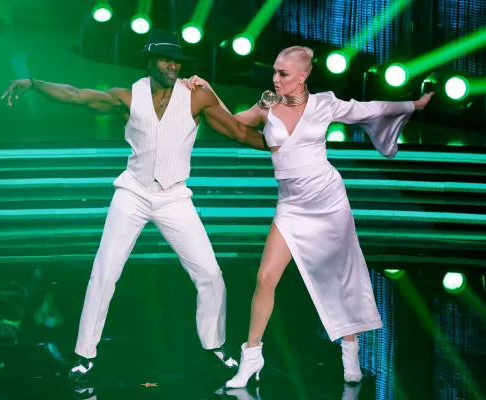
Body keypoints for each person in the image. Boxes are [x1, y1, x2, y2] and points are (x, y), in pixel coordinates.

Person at [1, 29, 269, 384]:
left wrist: (282, 146)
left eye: (177, 61)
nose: (173, 66)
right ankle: (84, 355)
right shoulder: (126, 97)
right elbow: (76, 95)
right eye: (166, 60)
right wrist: (34, 83)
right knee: (104, 273)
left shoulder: (196, 97)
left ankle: (215, 345)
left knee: (210, 274)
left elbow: (238, 132)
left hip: (175, 197)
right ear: (150, 62)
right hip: (133, 194)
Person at [182, 46, 433, 387]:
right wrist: (207, 91)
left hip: (329, 201)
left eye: (283, 73)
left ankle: (350, 351)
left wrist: (413, 105)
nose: (275, 78)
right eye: (274, 71)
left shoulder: (324, 104)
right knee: (265, 277)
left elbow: (372, 108)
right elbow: (233, 124)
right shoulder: (267, 105)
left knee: (341, 275)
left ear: (303, 75)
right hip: (291, 206)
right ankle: (251, 357)